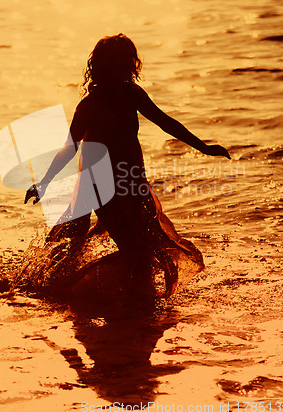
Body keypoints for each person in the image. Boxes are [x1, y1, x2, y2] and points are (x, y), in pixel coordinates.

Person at [24, 34, 230, 297]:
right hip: (101, 186)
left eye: (129, 61)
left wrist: (203, 147)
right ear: (105, 66)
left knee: (151, 244)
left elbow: (165, 121)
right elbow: (70, 148)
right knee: (132, 249)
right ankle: (84, 294)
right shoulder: (89, 106)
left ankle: (137, 307)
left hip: (132, 180)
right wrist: (43, 183)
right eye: (122, 61)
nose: (128, 66)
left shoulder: (132, 94)